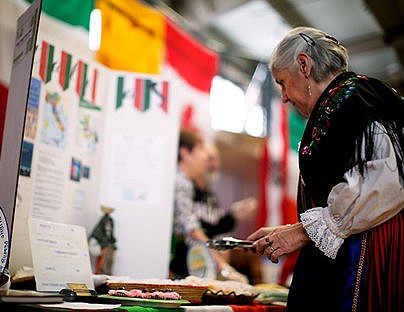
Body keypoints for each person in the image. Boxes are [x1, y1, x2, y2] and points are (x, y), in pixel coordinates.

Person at [246, 26, 404, 311]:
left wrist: (301, 232)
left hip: (365, 255)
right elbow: (339, 194)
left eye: (282, 82)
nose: (283, 96)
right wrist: (293, 229)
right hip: (348, 248)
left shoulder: (358, 98)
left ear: (304, 65)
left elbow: (380, 182)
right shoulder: (338, 101)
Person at [170, 129, 248, 283]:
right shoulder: (180, 182)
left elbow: (210, 229)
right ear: (185, 153)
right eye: (200, 149)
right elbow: (192, 231)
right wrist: (224, 269)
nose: (205, 157)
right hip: (178, 270)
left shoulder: (190, 186)